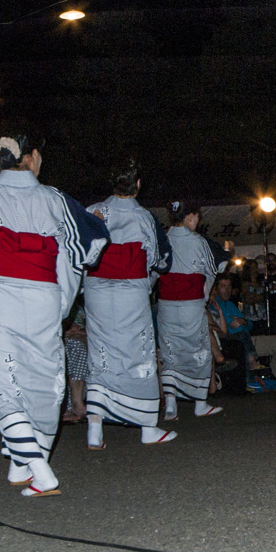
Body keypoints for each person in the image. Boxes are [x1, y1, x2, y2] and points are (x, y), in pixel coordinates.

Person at [0, 134, 109, 496]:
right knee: (44, 380)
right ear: (29, 157)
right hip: (43, 296)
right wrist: (63, 293)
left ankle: (37, 469)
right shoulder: (54, 198)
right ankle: (26, 464)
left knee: (6, 382)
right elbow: (90, 244)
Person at [83, 160, 174, 450]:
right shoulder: (144, 217)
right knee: (139, 352)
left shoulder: (93, 211)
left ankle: (94, 426)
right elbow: (159, 259)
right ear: (137, 184)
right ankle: (147, 425)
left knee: (101, 353)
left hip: (97, 290)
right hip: (131, 291)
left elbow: (80, 252)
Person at [158, 200, 230, 419]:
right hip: (191, 302)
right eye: (197, 217)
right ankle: (200, 402)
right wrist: (226, 253)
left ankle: (171, 403)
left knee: (171, 350)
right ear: (189, 217)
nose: (198, 221)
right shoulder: (199, 242)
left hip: (166, 303)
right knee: (198, 349)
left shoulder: (163, 239)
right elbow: (216, 266)